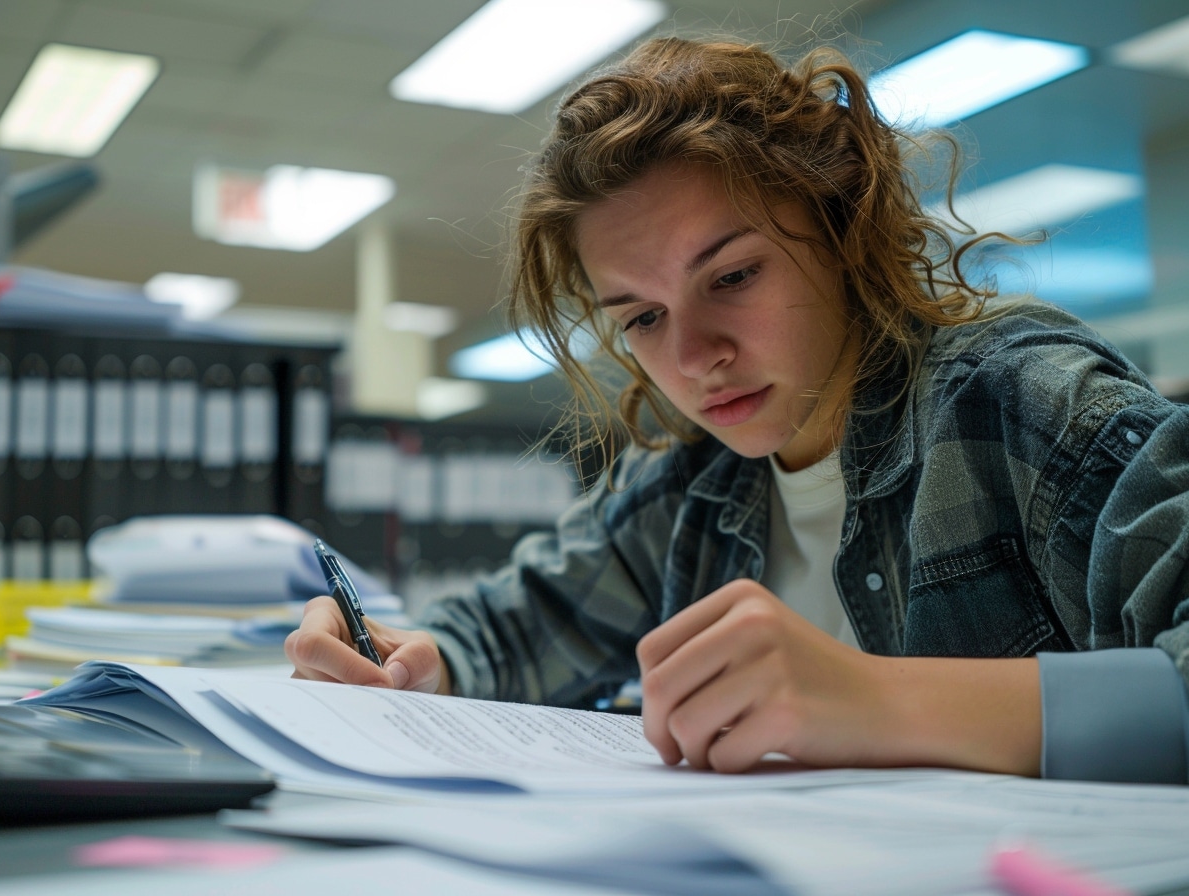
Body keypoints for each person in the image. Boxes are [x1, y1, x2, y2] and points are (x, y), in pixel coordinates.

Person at [286, 35, 1189, 784]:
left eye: (732, 276)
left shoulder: (1024, 406)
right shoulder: (686, 486)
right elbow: (508, 629)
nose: (693, 357)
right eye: (642, 317)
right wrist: (407, 660)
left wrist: (872, 700)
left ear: (840, 229)